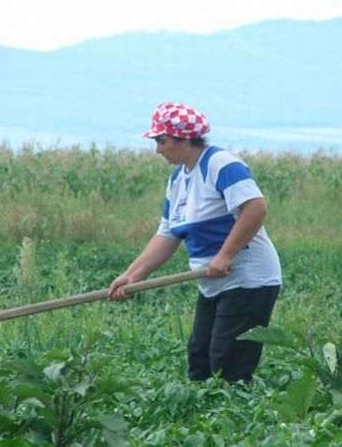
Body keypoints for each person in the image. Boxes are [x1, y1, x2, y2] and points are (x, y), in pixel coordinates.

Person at [108, 102, 282, 382]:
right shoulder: (177, 178)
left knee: (227, 362)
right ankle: (204, 421)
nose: (158, 150)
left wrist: (225, 256)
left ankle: (231, 421)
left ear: (185, 139)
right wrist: (132, 275)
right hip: (212, 283)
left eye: (162, 141)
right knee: (200, 358)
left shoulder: (220, 164)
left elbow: (255, 208)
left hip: (248, 279)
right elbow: (167, 234)